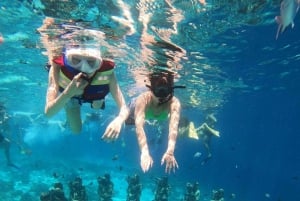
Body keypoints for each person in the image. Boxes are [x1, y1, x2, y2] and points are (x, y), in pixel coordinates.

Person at [38, 17, 129, 138]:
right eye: (75, 60)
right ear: (66, 58)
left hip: (94, 95)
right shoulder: (57, 67)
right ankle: (72, 103)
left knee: (97, 106)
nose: (83, 68)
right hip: (71, 96)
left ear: (99, 62)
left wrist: (119, 120)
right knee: (76, 130)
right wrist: (68, 94)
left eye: (91, 62)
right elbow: (48, 113)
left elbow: (124, 107)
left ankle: (98, 100)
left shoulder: (107, 72)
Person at [126, 71, 185, 173]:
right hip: (135, 106)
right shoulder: (143, 99)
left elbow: (173, 128)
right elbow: (139, 127)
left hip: (152, 115)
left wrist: (170, 151)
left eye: (165, 91)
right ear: (151, 89)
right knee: (128, 120)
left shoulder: (174, 103)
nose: (161, 96)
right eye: (158, 90)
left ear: (170, 91)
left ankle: (150, 121)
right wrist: (144, 152)